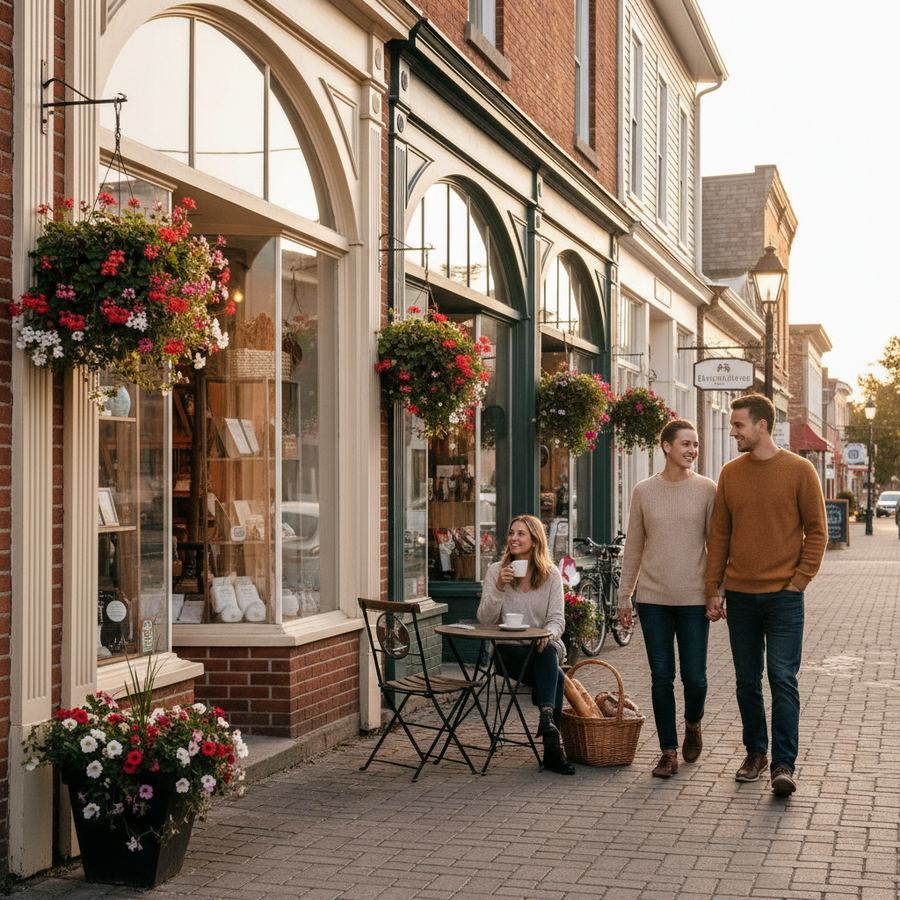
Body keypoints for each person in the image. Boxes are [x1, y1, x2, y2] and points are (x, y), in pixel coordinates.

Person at [705, 393, 827, 797]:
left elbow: (817, 532)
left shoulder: (800, 470)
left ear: (761, 425)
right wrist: (714, 588)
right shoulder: (731, 474)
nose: (732, 431)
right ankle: (755, 753)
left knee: (782, 679)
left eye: (738, 424)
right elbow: (719, 535)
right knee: (745, 681)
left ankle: (783, 765)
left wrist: (798, 582)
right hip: (739, 596)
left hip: (784, 599)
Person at [617, 419, 717, 778]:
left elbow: (715, 546)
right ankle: (668, 752)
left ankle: (693, 722)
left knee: (695, 678)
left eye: (695, 445)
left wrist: (715, 591)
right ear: (666, 446)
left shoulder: (707, 489)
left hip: (693, 598)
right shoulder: (644, 491)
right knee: (662, 676)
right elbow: (634, 546)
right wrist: (624, 595)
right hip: (654, 599)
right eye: (686, 444)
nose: (692, 450)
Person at [477, 514, 575, 775]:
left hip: (540, 650)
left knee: (549, 652)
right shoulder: (496, 571)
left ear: (534, 541)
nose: (513, 538)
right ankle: (552, 742)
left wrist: (548, 634)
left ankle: (548, 724)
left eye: (521, 534)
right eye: (511, 533)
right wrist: (499, 587)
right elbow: (485, 620)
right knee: (557, 674)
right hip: (507, 652)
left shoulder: (551, 575)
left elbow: (556, 621)